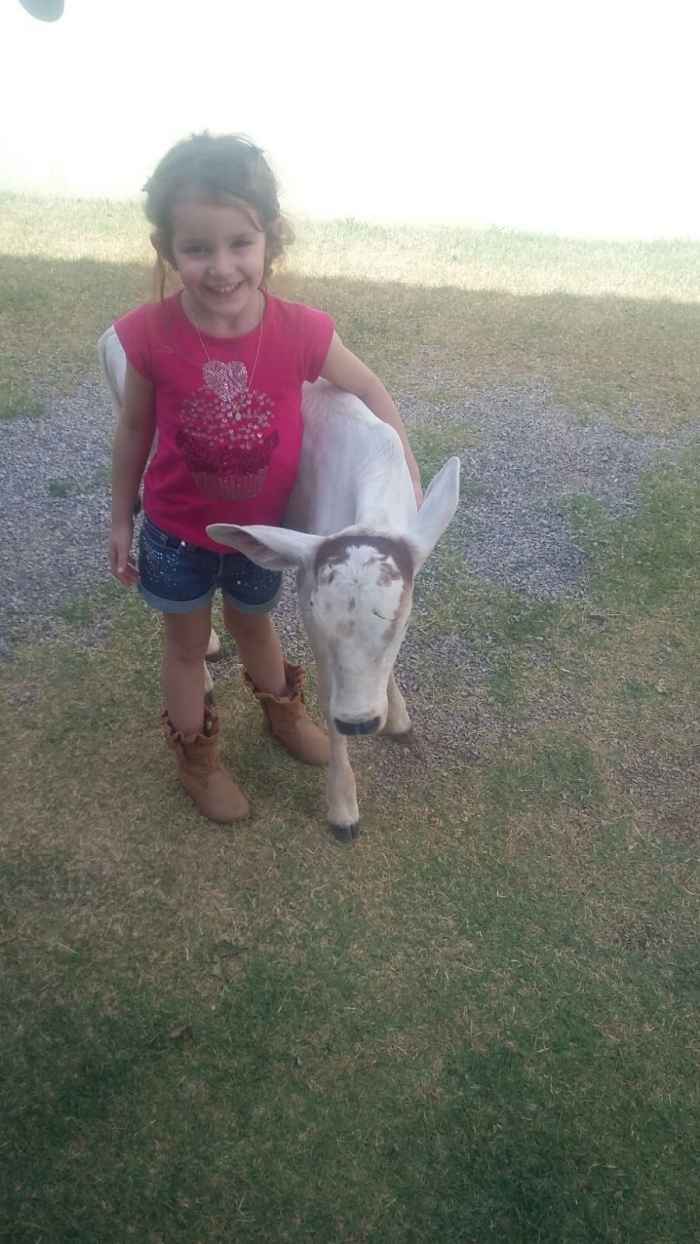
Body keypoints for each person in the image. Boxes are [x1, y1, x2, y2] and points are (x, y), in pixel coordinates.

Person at [108, 132, 423, 825]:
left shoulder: (301, 330)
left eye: (239, 244)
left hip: (264, 538)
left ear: (270, 240)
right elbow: (134, 430)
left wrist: (407, 470)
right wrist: (122, 517)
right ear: (167, 250)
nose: (221, 268)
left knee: (256, 628)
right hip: (176, 536)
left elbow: (371, 389)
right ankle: (198, 763)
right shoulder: (150, 334)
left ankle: (281, 714)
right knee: (187, 648)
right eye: (197, 249)